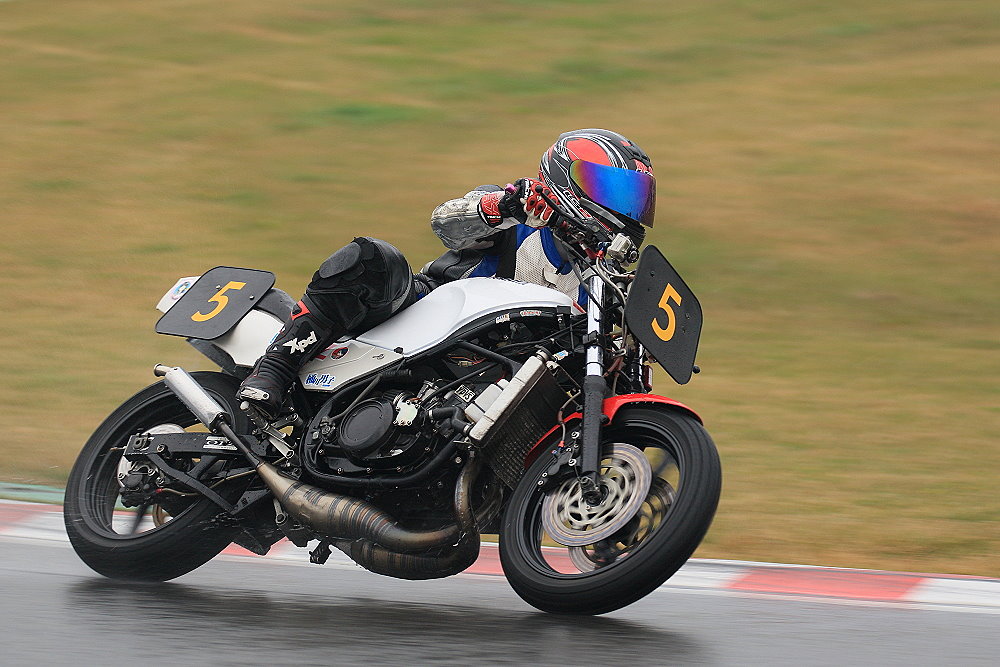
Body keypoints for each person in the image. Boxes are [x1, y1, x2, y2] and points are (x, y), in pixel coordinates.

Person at [237, 128, 656, 418]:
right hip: (425, 317)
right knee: (372, 258)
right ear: (567, 178)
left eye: (635, 198)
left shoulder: (605, 288)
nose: (626, 209)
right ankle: (275, 368)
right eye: (612, 189)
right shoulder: (520, 210)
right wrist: (504, 207)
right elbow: (445, 223)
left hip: (498, 375)